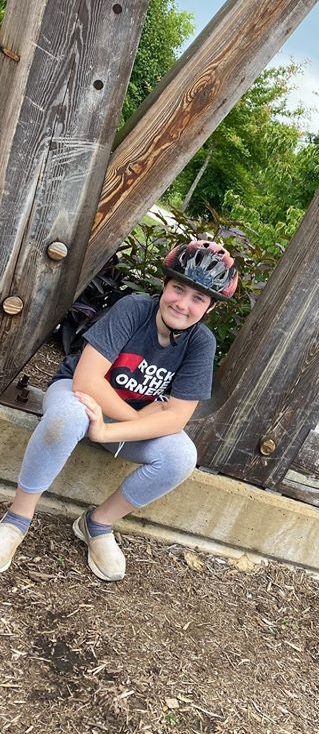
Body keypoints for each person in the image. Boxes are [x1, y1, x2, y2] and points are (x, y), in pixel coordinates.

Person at [0, 240, 238, 581]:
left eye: (198, 298)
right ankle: (17, 519)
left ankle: (97, 524)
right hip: (80, 397)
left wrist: (110, 431)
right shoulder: (135, 308)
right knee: (67, 417)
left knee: (181, 455)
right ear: (165, 285)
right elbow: (86, 381)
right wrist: (139, 418)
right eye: (178, 288)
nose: (183, 304)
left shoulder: (201, 343)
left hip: (119, 421)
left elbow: (177, 418)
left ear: (209, 308)